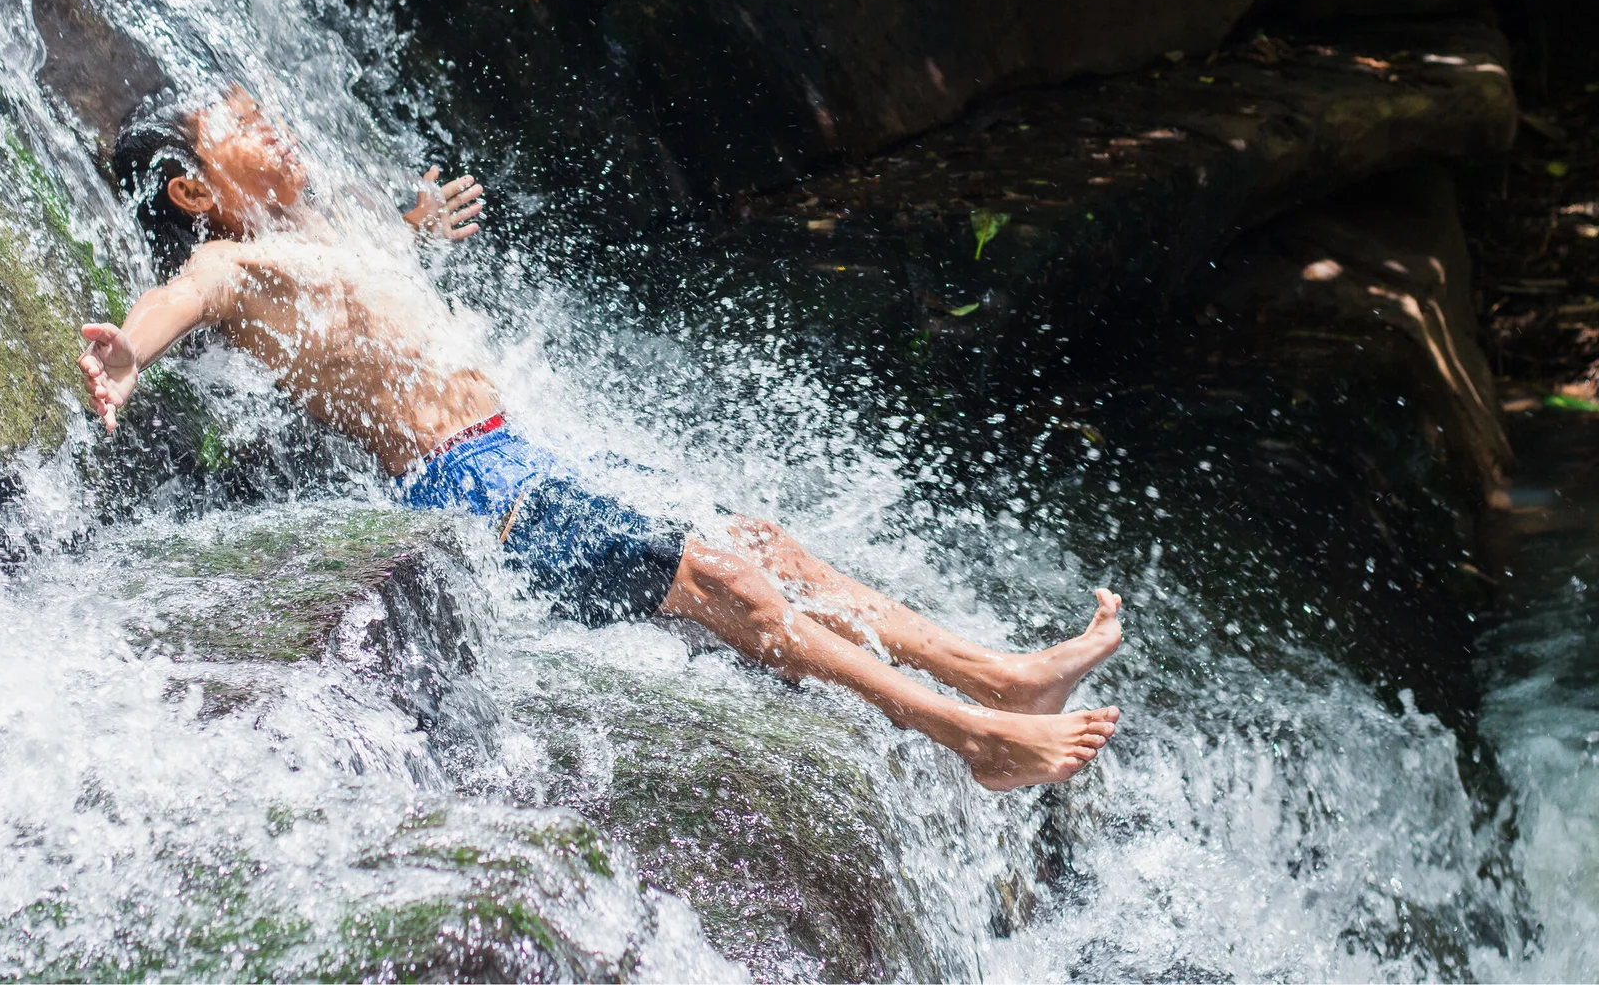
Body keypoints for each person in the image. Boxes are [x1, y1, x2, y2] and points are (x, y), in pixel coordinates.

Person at [79, 84, 1123, 790]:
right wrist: (123, 357)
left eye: (268, 115)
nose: (278, 132)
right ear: (194, 191)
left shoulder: (319, 227)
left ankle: (998, 676)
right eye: (247, 132)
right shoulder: (228, 269)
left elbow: (367, 292)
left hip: (519, 449)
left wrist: (412, 224)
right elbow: (169, 307)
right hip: (471, 490)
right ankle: (971, 737)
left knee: (770, 549)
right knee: (728, 583)